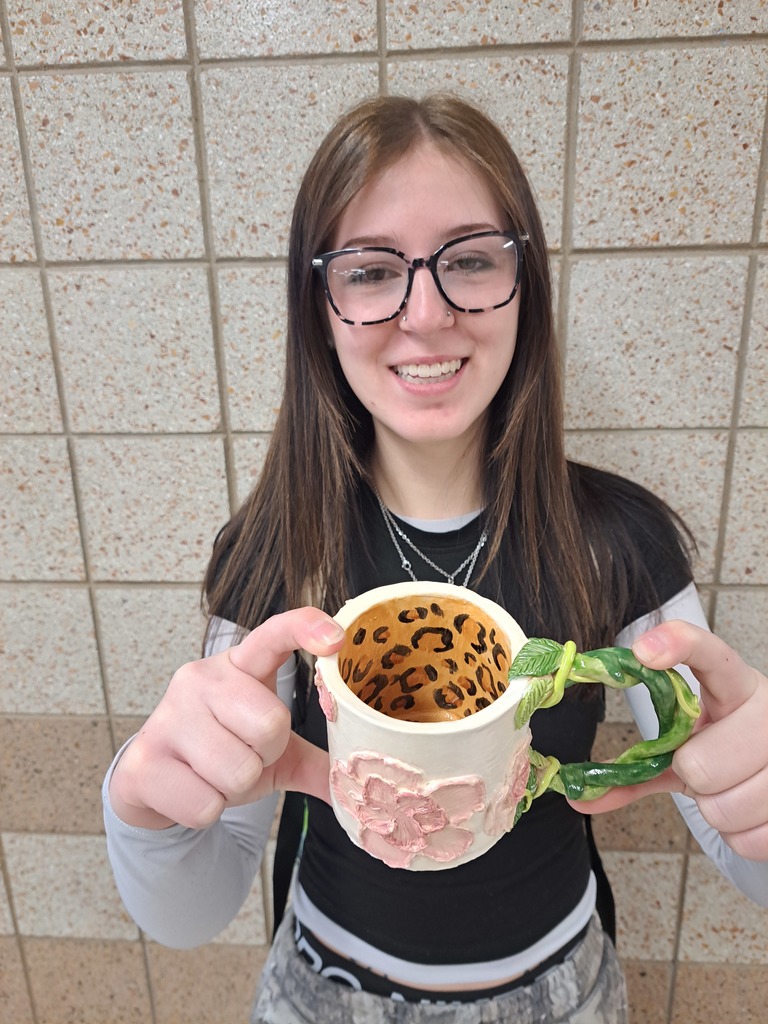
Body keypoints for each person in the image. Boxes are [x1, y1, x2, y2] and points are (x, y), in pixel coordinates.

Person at [103, 94, 768, 1023]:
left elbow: (742, 847)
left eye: (469, 260)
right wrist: (140, 806)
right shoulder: (270, 554)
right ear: (319, 305)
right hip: (321, 991)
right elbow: (192, 909)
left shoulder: (620, 542)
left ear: (523, 283)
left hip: (562, 993)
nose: (425, 314)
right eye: (372, 271)